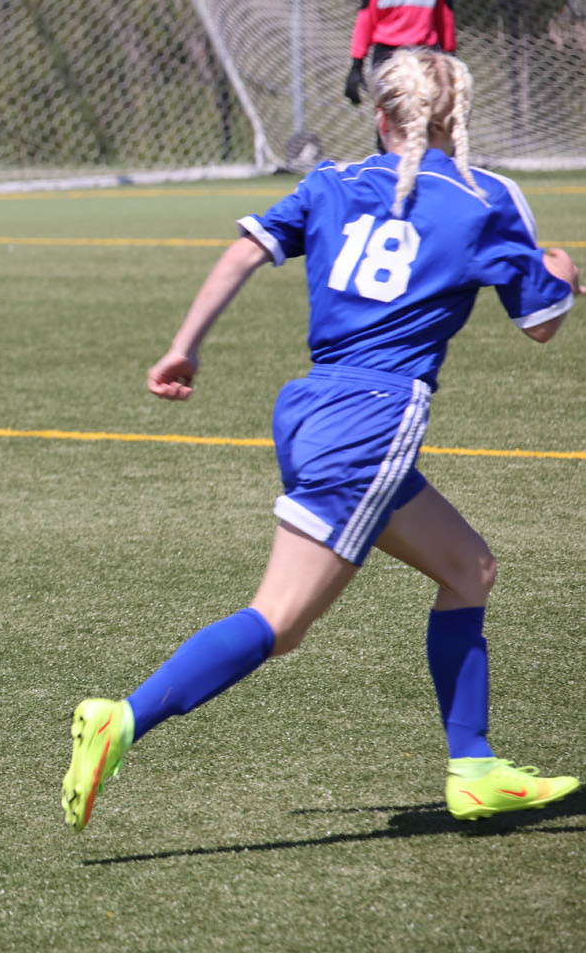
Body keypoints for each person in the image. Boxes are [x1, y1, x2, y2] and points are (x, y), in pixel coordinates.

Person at [63, 48, 581, 832]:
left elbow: (243, 249)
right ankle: (121, 718)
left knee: (466, 566)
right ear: (456, 119)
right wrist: (563, 269)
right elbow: (540, 323)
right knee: (279, 621)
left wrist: (184, 346)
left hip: (309, 410)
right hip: (373, 424)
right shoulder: (482, 200)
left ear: (380, 117)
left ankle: (473, 768)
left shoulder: (331, 182)